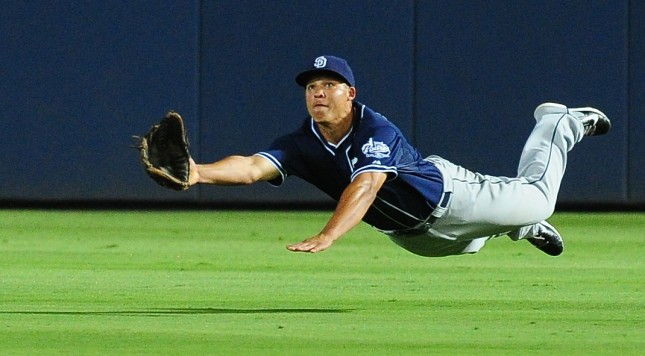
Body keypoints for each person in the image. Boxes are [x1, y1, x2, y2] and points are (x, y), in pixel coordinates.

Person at [188, 55, 611, 257]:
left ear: (350, 94)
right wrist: (198, 173)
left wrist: (329, 234)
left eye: (329, 84)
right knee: (474, 244)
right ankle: (522, 226)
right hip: (416, 239)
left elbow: (365, 185)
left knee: (538, 195)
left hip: (451, 197)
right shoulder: (301, 142)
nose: (318, 91)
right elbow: (249, 167)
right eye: (312, 86)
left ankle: (560, 122)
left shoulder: (375, 129)